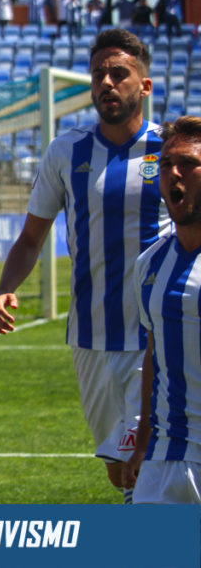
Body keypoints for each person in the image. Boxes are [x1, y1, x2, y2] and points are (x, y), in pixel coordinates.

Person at [0, 28, 169, 503]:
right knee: (121, 474)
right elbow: (31, 237)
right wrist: (5, 287)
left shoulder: (172, 154)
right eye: (99, 75)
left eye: (119, 74)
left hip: (159, 338)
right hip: (91, 340)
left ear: (144, 86)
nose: (107, 83)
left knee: (150, 469)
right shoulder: (66, 151)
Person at [121, 116, 201, 504]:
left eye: (187, 163)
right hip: (165, 455)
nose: (173, 174)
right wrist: (142, 443)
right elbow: (155, 354)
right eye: (166, 164)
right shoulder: (149, 264)